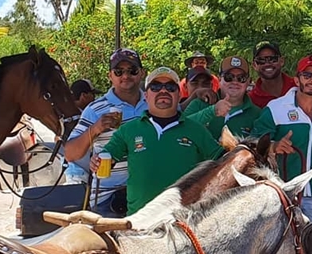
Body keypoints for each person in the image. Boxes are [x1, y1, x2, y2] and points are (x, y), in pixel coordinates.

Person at [92, 67, 224, 215]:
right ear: (146, 96)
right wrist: (97, 161)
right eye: (155, 87)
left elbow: (223, 162)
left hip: (184, 222)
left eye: (170, 87)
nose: (163, 91)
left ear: (179, 94)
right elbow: (108, 155)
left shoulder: (196, 130)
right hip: (138, 223)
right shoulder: (128, 130)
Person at [64, 48, 148, 216]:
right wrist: (95, 129)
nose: (125, 76)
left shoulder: (153, 103)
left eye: (132, 70)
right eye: (119, 71)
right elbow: (70, 154)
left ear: (141, 73)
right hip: (109, 198)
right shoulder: (95, 109)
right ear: (110, 76)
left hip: (149, 195)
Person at [253, 55, 312, 220]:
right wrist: (273, 146)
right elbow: (253, 142)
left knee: (309, 243)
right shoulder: (276, 108)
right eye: (307, 75)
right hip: (281, 190)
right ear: (296, 79)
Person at [188, 56, 261, 139]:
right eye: (229, 77)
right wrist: (212, 111)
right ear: (219, 78)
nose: (235, 82)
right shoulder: (199, 104)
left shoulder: (257, 114)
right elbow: (179, 129)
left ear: (248, 81)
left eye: (241, 78)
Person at [249, 41, 296, 109]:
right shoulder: (251, 100)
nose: (267, 64)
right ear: (254, 65)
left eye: (273, 59)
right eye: (261, 60)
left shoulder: (298, 87)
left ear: (282, 61)